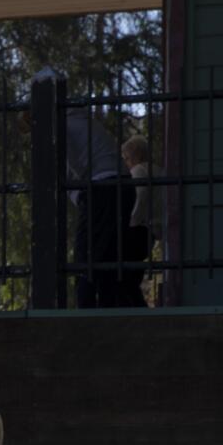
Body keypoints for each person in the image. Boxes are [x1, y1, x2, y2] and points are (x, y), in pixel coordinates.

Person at [66, 105, 145, 309]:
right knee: (108, 256)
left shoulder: (61, 124)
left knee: (86, 258)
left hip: (103, 187)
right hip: (120, 186)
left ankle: (86, 315)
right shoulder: (82, 120)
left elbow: (57, 167)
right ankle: (107, 312)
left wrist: (80, 199)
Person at [123, 134, 164, 308]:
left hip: (138, 231)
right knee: (131, 280)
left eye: (126, 158)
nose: (125, 162)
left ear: (135, 156)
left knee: (125, 281)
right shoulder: (160, 171)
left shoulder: (138, 171)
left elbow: (136, 202)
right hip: (152, 233)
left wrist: (126, 225)